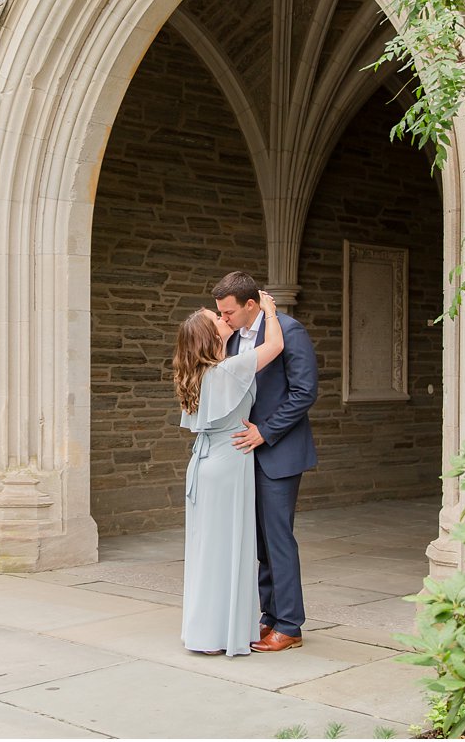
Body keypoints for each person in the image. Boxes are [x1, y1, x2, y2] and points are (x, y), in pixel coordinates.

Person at [213, 271, 318, 653]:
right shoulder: (230, 337)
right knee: (258, 541)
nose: (223, 318)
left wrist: (265, 432)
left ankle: (290, 625)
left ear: (251, 305)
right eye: (220, 313)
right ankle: (269, 616)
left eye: (228, 312)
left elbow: (305, 392)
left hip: (279, 451)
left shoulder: (289, 331)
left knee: (278, 539)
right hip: (242, 454)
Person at [173, 292, 283, 657]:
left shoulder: (195, 373)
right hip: (228, 463)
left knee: (207, 550)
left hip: (204, 466)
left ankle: (204, 631)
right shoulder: (229, 369)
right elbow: (275, 346)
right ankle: (221, 632)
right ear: (210, 335)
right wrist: (268, 310)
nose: (225, 320)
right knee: (227, 549)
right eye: (217, 319)